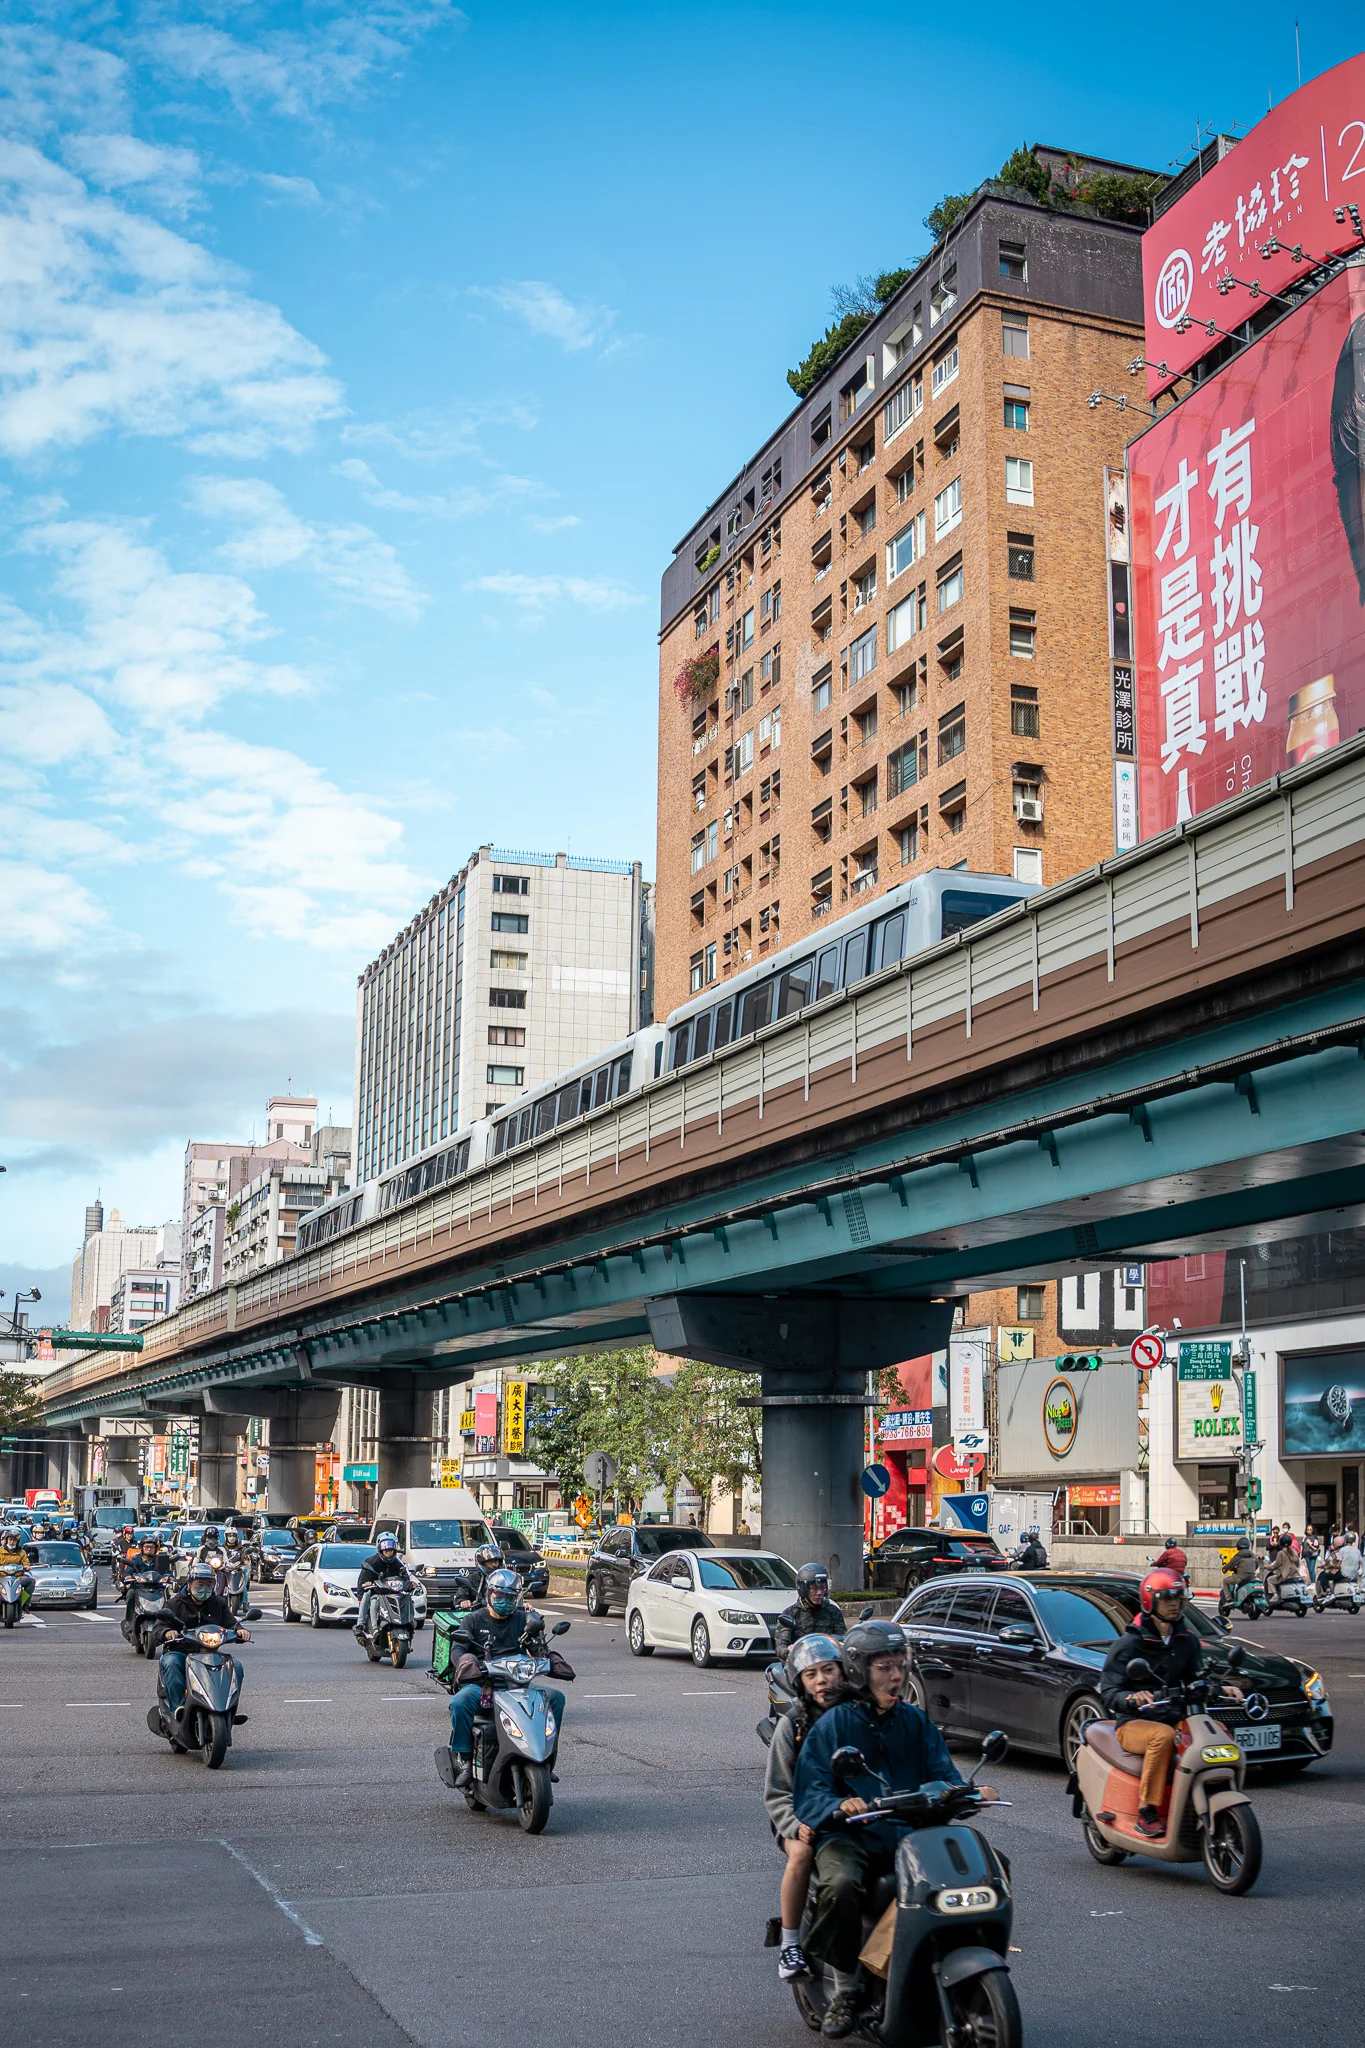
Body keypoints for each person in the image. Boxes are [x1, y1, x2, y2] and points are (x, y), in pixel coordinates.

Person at [793, 1621, 997, 2039]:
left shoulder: (915, 1721)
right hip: (851, 1836)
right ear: (859, 1672)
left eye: (900, 1665)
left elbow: (943, 1772)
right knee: (843, 1884)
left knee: (989, 1867)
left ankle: (960, 1956)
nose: (896, 1676)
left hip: (909, 1830)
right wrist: (839, 1804)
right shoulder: (834, 1725)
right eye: (885, 1667)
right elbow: (809, 1793)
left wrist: (967, 1792)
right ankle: (846, 1990)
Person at [1100, 1568, 1242, 1840]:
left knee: (1218, 1734)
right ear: (1149, 1602)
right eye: (1167, 1599)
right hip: (1133, 1723)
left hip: (1175, 1715)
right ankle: (1147, 1811)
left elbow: (1196, 1678)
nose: (1175, 1604)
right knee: (1162, 1737)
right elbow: (1108, 1690)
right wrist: (1131, 1698)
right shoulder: (1130, 1643)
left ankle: (1215, 1796)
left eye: (1178, 1597)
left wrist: (1220, 1687)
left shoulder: (1186, 1639)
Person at [763, 1633, 845, 1983]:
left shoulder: (853, 1716)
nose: (822, 1679)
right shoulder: (792, 1725)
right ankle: (790, 1945)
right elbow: (777, 1793)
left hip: (848, 1815)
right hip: (798, 1817)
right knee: (801, 1855)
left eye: (828, 1670)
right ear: (800, 1682)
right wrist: (796, 1826)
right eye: (811, 1674)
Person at [443, 1567, 564, 1787]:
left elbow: (538, 1648)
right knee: (459, 1703)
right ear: (489, 1594)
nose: (505, 1601)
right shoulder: (473, 1620)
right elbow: (458, 1650)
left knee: (556, 1698)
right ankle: (465, 1760)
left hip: (518, 1686)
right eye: (500, 1596)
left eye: (510, 1597)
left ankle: (547, 1760)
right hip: (485, 1686)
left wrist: (546, 1658)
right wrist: (467, 1662)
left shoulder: (523, 1620)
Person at [157, 1562, 249, 1722]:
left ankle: (229, 1709)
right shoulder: (174, 1603)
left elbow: (230, 1622)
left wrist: (240, 1630)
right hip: (181, 1652)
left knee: (236, 1666)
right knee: (170, 1662)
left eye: (209, 1584)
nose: (204, 1588)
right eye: (200, 1584)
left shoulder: (219, 1603)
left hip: (210, 1653)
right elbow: (159, 1627)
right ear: (189, 1583)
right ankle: (177, 1709)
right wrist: (167, 1632)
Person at [773, 1563, 848, 1655]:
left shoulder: (833, 1611)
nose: (819, 1593)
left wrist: (841, 1644)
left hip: (826, 1658)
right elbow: (781, 1645)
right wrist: (788, 1651)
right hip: (800, 1662)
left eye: (823, 1588)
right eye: (815, 1588)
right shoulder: (790, 1613)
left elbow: (843, 1637)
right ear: (804, 1589)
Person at [355, 1531, 415, 1637]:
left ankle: (409, 1621)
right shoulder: (371, 1562)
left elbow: (405, 1578)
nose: (388, 1553)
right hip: (377, 1593)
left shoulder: (398, 1564)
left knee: (408, 1598)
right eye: (386, 1551)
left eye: (391, 1551)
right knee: (370, 1597)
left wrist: (410, 1584)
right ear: (380, 1549)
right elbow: (362, 1582)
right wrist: (366, 1586)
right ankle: (362, 1625)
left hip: (393, 1593)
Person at [123, 1530, 172, 1624]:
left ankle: (169, 1622)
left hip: (157, 1588)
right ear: (141, 1547)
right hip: (139, 1588)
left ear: (156, 1548)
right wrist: (128, 1577)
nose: (149, 1549)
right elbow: (127, 1572)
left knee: (169, 1597)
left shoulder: (160, 1559)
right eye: (146, 1547)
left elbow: (167, 1572)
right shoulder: (136, 1559)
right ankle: (129, 1621)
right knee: (130, 1595)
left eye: (152, 1547)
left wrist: (170, 1577)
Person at [1218, 1535, 1260, 1619]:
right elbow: (1257, 1565)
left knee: (1225, 1581)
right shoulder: (1253, 1555)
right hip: (1251, 1577)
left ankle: (1229, 1599)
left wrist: (1225, 1569)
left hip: (1240, 1577)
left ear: (1238, 1546)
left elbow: (1230, 1564)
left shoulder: (1239, 1555)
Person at [0, 1523, 35, 1613]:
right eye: (10, 1540)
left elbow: (26, 1563)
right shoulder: (0, 1551)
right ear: (6, 1540)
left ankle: (25, 1604)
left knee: (31, 1581)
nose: (12, 1542)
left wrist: (27, 1567)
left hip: (17, 1578)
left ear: (17, 1542)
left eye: (14, 1540)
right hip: (2, 1577)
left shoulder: (22, 1552)